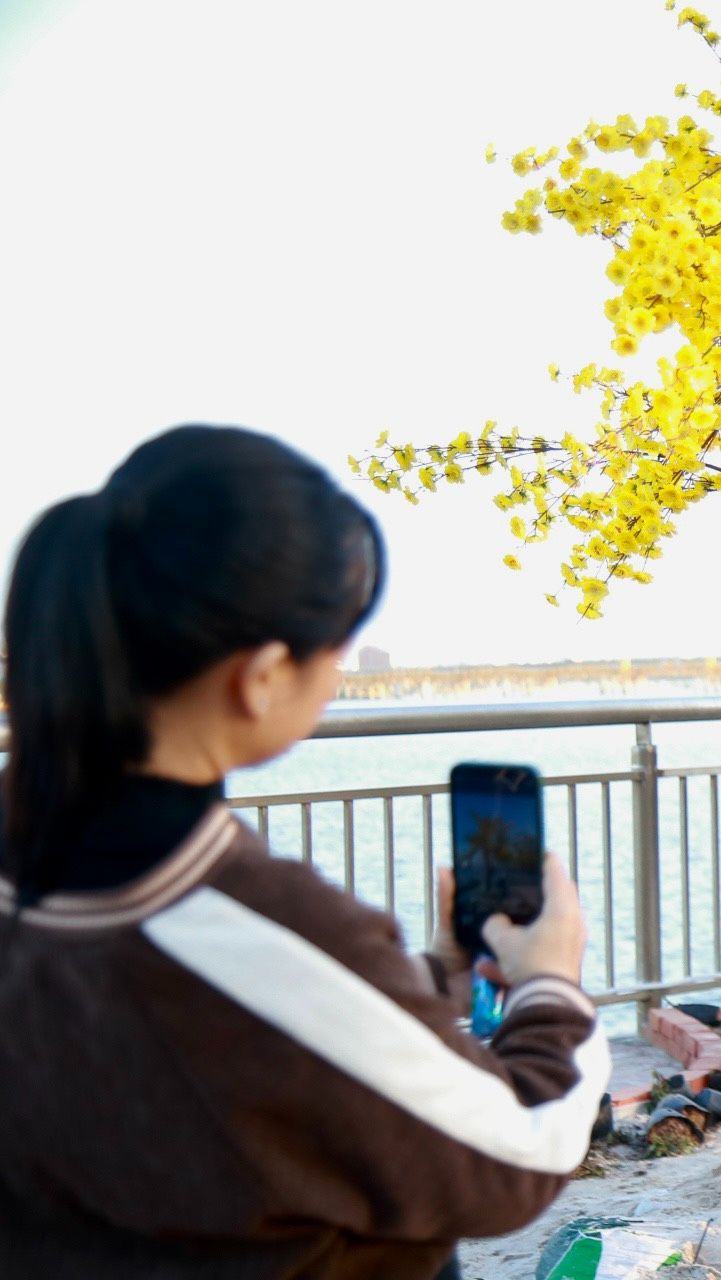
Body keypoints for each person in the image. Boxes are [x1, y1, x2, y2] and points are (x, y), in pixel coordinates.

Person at [0, 425, 609, 1278]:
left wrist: (430, 977)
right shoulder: (241, 925)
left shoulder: (43, 881)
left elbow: (259, 1054)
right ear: (260, 676)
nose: (340, 675)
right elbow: (522, 1149)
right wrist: (553, 985)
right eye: (339, 647)